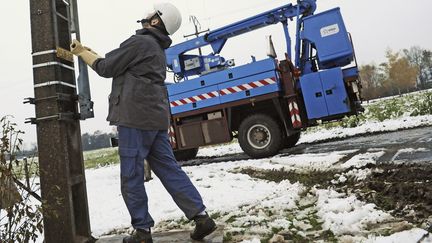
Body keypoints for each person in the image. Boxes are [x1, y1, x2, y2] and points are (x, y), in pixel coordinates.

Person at [70, 2, 216, 243]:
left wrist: (82, 53)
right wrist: (90, 53)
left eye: (152, 12)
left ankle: (142, 231)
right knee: (169, 170)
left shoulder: (140, 42)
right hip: (155, 119)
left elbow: (106, 68)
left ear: (157, 20)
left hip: (134, 118)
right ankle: (201, 217)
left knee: (131, 175)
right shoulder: (156, 48)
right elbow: (116, 64)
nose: (147, 14)